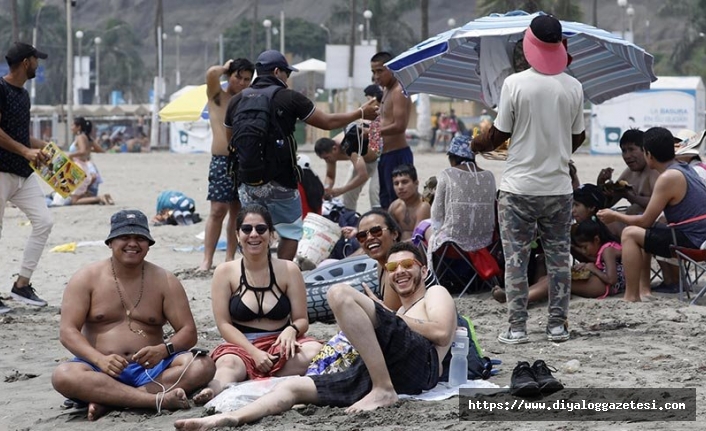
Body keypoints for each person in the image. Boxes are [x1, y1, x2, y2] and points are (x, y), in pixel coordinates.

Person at [174, 242, 458, 430]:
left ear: (423, 268)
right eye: (393, 268)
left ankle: (383, 390)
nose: (400, 272)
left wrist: (387, 316)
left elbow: (443, 334)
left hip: (420, 366)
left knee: (340, 293)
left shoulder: (435, 293)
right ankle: (232, 419)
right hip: (379, 371)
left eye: (407, 265)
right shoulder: (398, 306)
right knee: (295, 386)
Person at [471, 15, 585, 344]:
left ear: (528, 46)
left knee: (517, 260)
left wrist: (479, 143)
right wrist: (558, 150)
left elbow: (499, 135)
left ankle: (517, 328)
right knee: (559, 259)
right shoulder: (574, 87)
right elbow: (578, 137)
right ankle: (557, 326)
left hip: (518, 189)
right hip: (559, 190)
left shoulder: (515, 84)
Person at [51, 210, 216, 420]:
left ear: (148, 244)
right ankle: (156, 400)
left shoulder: (165, 280)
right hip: (100, 369)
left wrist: (163, 350)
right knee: (63, 375)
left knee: (203, 365)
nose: (133, 244)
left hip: (152, 371)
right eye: (124, 238)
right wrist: (99, 360)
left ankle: (110, 400)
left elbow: (188, 331)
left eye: (140, 239)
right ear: (110, 242)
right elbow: (67, 331)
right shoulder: (86, 278)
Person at [225, 50, 377, 260]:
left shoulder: (236, 101)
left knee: (255, 231)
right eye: (286, 73)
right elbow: (327, 122)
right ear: (277, 71)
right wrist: (360, 113)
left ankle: (256, 275)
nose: (287, 78)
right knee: (290, 233)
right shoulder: (289, 97)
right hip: (281, 179)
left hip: (247, 181)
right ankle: (280, 277)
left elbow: (229, 142)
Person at [192, 204, 322, 405]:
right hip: (241, 346)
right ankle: (214, 389)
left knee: (314, 351)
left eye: (261, 229)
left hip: (281, 344)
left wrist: (291, 330)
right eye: (247, 229)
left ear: (271, 235)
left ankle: (254, 381)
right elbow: (224, 324)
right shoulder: (225, 272)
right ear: (237, 235)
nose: (254, 234)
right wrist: (253, 352)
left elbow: (302, 319)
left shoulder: (289, 269)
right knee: (227, 364)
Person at [597, 127, 706, 302]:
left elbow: (645, 221)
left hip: (693, 241)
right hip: (698, 236)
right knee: (645, 233)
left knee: (630, 233)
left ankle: (631, 297)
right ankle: (643, 290)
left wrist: (615, 216)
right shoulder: (684, 168)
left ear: (648, 154)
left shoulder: (667, 178)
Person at [0, 42, 53, 313]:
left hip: (23, 172)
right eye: (36, 59)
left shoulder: (23, 94)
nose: (38, 64)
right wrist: (25, 150)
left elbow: (19, 134)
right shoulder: (0, 88)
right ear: (25, 63)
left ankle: (22, 284)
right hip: (1, 171)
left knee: (44, 221)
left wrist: (42, 146)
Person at [199, 58, 254, 272]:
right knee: (217, 209)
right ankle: (206, 259)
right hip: (221, 159)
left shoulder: (249, 99)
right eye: (237, 77)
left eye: (246, 79)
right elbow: (211, 74)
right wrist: (225, 67)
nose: (241, 82)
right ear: (230, 76)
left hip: (243, 159)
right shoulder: (218, 97)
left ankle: (230, 256)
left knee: (237, 210)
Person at [427, 135, 496, 260]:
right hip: (485, 243)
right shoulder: (489, 176)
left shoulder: (447, 174)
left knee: (422, 231)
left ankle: (431, 277)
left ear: (452, 158)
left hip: (453, 244)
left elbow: (436, 215)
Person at [370, 51, 413, 210]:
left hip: (398, 155)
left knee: (400, 204)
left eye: (380, 71)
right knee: (386, 203)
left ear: (392, 69)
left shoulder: (399, 90)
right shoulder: (386, 91)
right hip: (386, 155)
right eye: (373, 72)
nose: (376, 76)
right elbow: (384, 121)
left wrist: (372, 132)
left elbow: (400, 126)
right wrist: (369, 130)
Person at [314, 122, 380, 212]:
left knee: (374, 191)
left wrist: (340, 190)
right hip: (363, 161)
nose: (327, 160)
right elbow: (330, 175)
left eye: (326, 158)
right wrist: (327, 188)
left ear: (335, 148)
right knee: (348, 195)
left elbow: (363, 176)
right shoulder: (329, 150)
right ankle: (350, 220)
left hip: (380, 158)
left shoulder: (348, 145)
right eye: (323, 159)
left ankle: (381, 219)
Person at [54, 116, 113, 206]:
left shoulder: (80, 137)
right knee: (76, 194)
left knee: (74, 200)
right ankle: (101, 197)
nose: (71, 127)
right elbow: (89, 150)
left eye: (72, 125)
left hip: (80, 167)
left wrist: (71, 155)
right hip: (82, 167)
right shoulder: (85, 137)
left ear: (79, 127)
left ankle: (100, 198)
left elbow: (83, 151)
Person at [388, 164, 431, 241]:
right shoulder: (395, 206)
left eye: (404, 182)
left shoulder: (423, 206)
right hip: (399, 248)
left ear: (416, 183)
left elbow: (417, 239)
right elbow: (388, 233)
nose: (400, 187)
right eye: (396, 183)